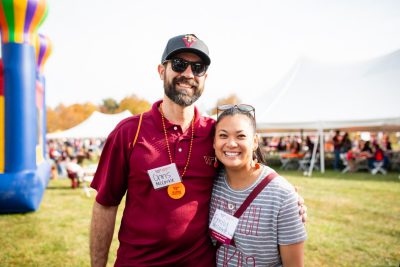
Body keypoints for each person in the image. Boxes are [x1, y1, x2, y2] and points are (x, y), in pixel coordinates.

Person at [89, 34, 307, 267]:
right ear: (161, 71)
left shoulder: (216, 134)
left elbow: (248, 170)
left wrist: (288, 199)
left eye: (198, 67)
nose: (188, 74)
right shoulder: (130, 132)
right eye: (179, 65)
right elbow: (105, 204)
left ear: (205, 77)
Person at [209, 104, 306, 266]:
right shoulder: (211, 183)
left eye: (240, 136)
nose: (231, 143)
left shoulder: (282, 195)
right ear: (214, 142)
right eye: (223, 136)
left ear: (254, 142)